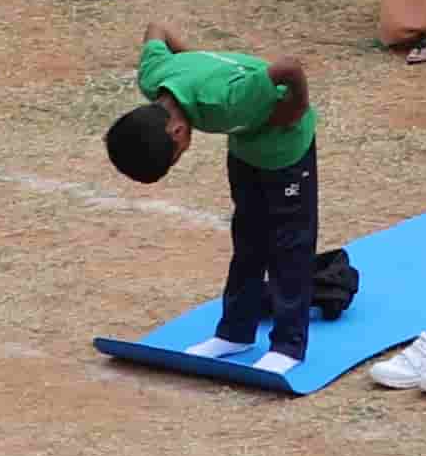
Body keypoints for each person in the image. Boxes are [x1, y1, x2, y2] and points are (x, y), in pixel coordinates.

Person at [112, 36, 322, 374]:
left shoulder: (226, 100)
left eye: (176, 156)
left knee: (289, 247)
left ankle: (289, 346)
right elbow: (158, 27)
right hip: (245, 149)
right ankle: (235, 333)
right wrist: (196, 59)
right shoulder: (154, 78)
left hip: (287, 152)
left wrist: (295, 110)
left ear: (177, 130)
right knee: (248, 240)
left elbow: (289, 67)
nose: (182, 155)